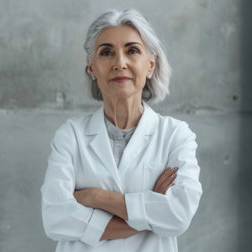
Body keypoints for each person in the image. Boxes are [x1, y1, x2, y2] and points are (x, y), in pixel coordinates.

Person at [41, 8, 202, 252]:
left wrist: (97, 198)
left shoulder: (176, 135)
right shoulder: (71, 135)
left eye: (132, 50)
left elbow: (179, 216)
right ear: (92, 67)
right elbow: (55, 219)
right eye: (106, 52)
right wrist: (151, 216)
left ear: (150, 65)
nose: (120, 63)